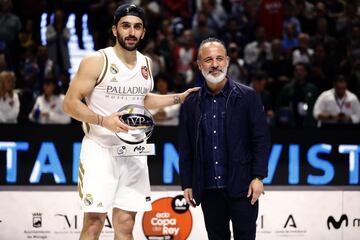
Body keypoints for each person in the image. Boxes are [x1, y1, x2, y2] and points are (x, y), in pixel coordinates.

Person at [62, 3, 199, 240]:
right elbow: (70, 104)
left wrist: (179, 97)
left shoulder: (146, 63)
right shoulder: (97, 60)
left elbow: (143, 99)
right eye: (126, 26)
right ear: (115, 30)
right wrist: (103, 121)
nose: (131, 32)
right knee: (94, 222)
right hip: (100, 149)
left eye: (137, 27)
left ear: (143, 32)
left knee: (126, 225)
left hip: (133, 150)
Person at [179, 37, 271, 240]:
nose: (215, 64)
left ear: (227, 61)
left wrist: (258, 177)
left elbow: (261, 140)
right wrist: (187, 182)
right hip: (209, 188)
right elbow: (186, 147)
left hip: (243, 187)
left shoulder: (248, 97)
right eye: (208, 60)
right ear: (199, 64)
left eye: (219, 59)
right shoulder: (191, 103)